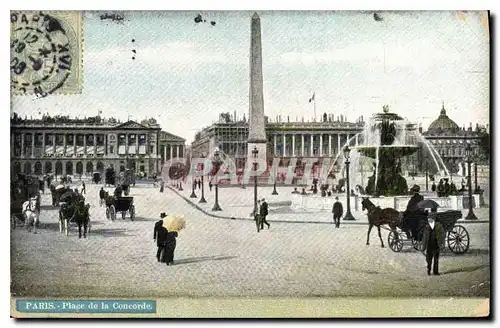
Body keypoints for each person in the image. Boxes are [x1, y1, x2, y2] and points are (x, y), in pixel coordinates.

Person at [422, 208, 445, 276]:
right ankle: (429, 269)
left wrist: (442, 244)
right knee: (429, 259)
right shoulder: (427, 227)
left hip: (436, 245)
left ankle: (435, 272)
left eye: (430, 219)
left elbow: (442, 236)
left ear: (434, 219)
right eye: (428, 219)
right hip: (429, 245)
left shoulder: (439, 226)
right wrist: (423, 248)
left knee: (436, 259)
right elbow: (425, 238)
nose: (429, 220)